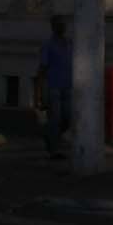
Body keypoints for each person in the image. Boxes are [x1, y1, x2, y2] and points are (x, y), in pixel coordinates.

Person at [37, 16, 73, 158]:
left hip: (67, 86)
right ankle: (54, 149)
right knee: (55, 118)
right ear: (53, 27)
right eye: (59, 25)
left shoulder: (69, 44)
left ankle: (50, 136)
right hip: (53, 87)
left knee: (67, 118)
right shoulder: (48, 45)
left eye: (63, 25)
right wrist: (40, 92)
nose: (62, 28)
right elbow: (42, 68)